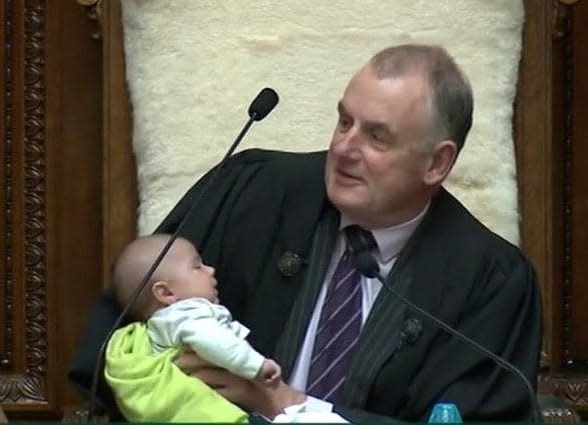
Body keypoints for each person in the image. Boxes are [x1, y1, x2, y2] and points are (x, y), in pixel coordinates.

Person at [70, 44, 542, 422]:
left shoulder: (491, 281)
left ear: (437, 163)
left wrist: (284, 404)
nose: (343, 147)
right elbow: (117, 331)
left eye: (376, 137)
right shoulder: (250, 191)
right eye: (343, 120)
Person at [108, 234, 281, 384]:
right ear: (166, 293)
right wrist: (257, 366)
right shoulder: (186, 316)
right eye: (197, 267)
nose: (211, 270)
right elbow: (213, 340)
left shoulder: (166, 323)